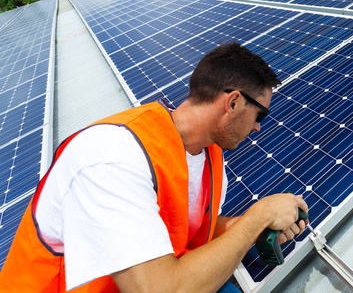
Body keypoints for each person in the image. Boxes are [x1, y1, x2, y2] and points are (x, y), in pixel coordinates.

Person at [0, 42, 308, 292]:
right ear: (233, 103)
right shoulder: (112, 156)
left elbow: (181, 231)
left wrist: (252, 228)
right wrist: (258, 217)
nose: (257, 128)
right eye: (260, 115)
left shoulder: (209, 159)